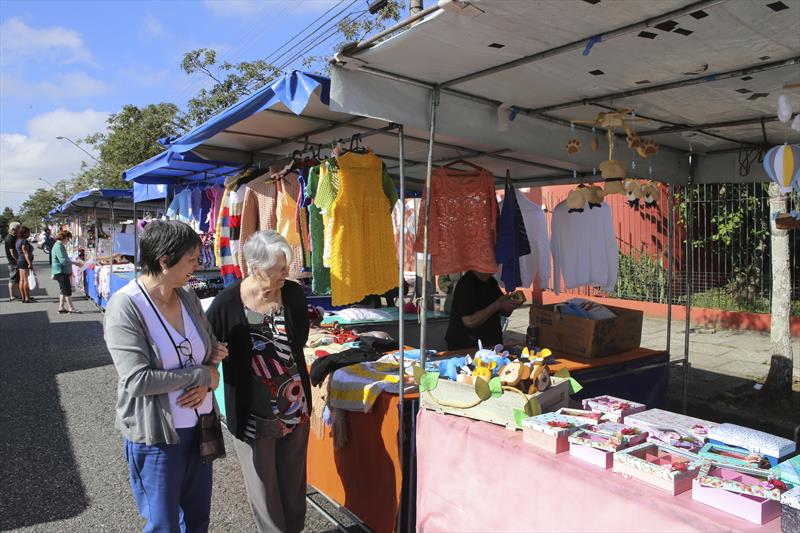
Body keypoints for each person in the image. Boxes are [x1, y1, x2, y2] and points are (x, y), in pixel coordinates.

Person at [104, 220, 228, 533]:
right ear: (164, 260)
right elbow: (137, 380)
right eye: (192, 259)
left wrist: (210, 371)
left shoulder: (187, 297)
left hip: (200, 428)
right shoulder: (126, 306)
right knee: (164, 525)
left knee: (198, 520)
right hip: (157, 436)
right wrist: (199, 376)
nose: (198, 266)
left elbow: (209, 349)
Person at [206, 230, 311, 533]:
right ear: (255, 267)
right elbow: (205, 347)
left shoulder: (292, 293)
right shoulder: (226, 303)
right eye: (279, 268)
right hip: (253, 411)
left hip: (295, 405)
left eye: (286, 266)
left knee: (293, 480)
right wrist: (214, 354)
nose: (286, 273)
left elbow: (299, 340)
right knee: (263, 486)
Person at [444, 270, 521, 351]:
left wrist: (511, 305)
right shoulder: (466, 284)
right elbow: (470, 321)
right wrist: (498, 304)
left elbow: (503, 311)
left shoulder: (491, 281)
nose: (497, 266)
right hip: (466, 345)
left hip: (491, 342)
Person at [51, 230, 79, 314]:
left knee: (63, 290)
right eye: (68, 239)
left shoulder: (59, 245)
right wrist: (75, 263)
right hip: (61, 271)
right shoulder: (58, 246)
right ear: (65, 238)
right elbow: (63, 261)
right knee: (67, 290)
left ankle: (61, 307)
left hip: (61, 271)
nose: (68, 241)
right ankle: (71, 308)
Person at [16, 226, 35, 303]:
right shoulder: (24, 241)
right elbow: (26, 253)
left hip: (20, 261)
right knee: (26, 280)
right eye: (28, 232)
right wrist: (29, 263)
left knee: (21, 280)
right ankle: (27, 298)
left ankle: (23, 297)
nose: (29, 234)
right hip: (24, 261)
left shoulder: (18, 240)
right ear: (24, 233)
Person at [4, 221, 20, 301]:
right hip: (13, 262)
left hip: (13, 261)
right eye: (18, 228)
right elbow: (12, 252)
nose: (19, 230)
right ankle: (11, 296)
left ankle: (16, 295)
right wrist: (17, 259)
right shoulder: (10, 238)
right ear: (13, 229)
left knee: (16, 279)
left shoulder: (13, 236)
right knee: (12, 279)